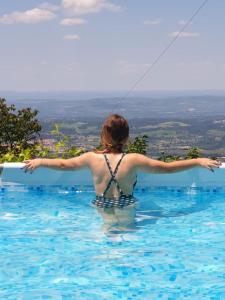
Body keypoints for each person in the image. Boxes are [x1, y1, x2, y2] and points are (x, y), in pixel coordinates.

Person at [23, 114, 221, 231]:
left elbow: (64, 165)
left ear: (103, 136)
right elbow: (167, 168)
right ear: (126, 138)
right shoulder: (134, 159)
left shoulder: (91, 157)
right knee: (127, 234)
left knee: (107, 231)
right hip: (126, 203)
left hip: (100, 203)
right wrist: (197, 160)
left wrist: (40, 161)